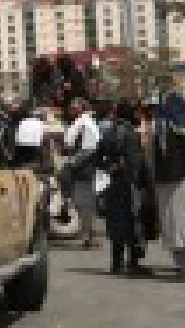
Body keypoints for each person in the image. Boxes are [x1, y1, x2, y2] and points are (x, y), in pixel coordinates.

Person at [150, 66, 185, 276]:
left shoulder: (162, 124)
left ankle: (184, 268)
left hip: (172, 180)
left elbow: (156, 154)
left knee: (177, 222)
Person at [97, 101, 154, 276]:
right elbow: (136, 162)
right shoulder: (131, 134)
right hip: (130, 183)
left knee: (116, 222)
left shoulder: (108, 133)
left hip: (113, 184)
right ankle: (133, 263)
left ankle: (116, 262)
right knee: (132, 222)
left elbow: (98, 159)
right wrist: (145, 183)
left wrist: (110, 167)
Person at [59, 98, 104, 247]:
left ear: (82, 109)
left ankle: (89, 236)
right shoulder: (79, 124)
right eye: (71, 108)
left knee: (85, 204)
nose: (71, 111)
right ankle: (88, 235)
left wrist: (71, 163)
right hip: (79, 170)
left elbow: (89, 149)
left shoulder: (87, 125)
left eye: (75, 108)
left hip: (85, 171)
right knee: (82, 204)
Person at [12, 104, 48, 169]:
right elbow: (44, 139)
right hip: (33, 151)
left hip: (19, 150)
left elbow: (17, 137)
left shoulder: (22, 122)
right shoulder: (40, 123)